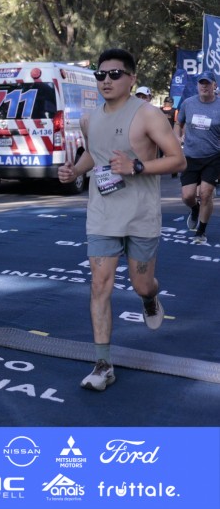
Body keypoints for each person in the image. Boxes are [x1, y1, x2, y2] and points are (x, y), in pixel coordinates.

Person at [58, 48, 185, 392]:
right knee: (100, 285)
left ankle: (149, 298)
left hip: (141, 216)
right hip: (102, 215)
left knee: (142, 284)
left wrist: (137, 166)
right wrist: (74, 171)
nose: (106, 81)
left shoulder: (149, 115)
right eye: (101, 75)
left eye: (115, 74)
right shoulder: (89, 119)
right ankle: (103, 364)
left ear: (132, 79)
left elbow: (178, 160)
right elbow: (93, 154)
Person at [173, 71, 220, 243]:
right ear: (197, 85)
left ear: (214, 85)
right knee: (187, 196)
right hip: (190, 156)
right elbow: (178, 123)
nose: (204, 86)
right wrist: (177, 137)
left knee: (206, 193)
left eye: (208, 83)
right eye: (201, 83)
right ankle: (194, 209)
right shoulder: (188, 103)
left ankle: (201, 231)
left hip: (213, 156)